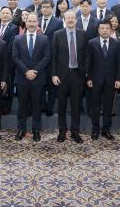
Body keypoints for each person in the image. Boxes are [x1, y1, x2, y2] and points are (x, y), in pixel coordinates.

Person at [12, 13, 51, 142]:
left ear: (37, 23)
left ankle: (36, 131)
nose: (32, 23)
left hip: (38, 78)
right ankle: (21, 130)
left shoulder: (44, 39)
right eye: (30, 21)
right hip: (22, 78)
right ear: (26, 23)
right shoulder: (18, 38)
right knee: (22, 106)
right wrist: (26, 71)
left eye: (34, 21)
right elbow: (15, 57)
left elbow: (47, 57)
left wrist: (34, 71)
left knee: (36, 106)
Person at [51, 10, 88, 143]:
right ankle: (62, 131)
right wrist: (54, 74)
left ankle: (75, 131)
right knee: (61, 105)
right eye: (68, 18)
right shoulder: (57, 34)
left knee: (76, 105)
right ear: (64, 20)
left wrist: (85, 73)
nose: (71, 20)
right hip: (62, 76)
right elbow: (53, 56)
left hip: (78, 75)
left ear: (76, 20)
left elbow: (86, 55)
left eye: (73, 18)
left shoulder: (83, 34)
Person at [86, 19, 120, 140]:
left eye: (107, 28)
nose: (105, 30)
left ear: (111, 30)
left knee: (108, 106)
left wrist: (118, 79)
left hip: (111, 80)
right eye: (102, 28)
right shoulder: (91, 43)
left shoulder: (116, 43)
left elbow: (119, 63)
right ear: (98, 29)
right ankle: (95, 129)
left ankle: (106, 130)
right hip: (95, 80)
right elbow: (88, 62)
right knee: (95, 106)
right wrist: (89, 77)